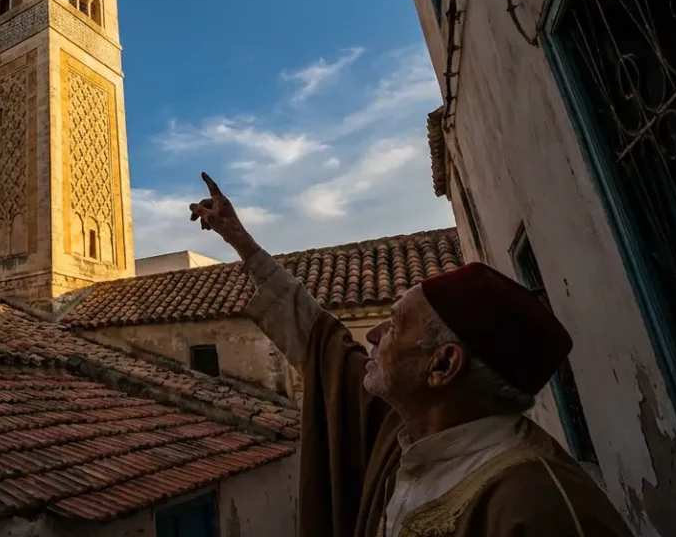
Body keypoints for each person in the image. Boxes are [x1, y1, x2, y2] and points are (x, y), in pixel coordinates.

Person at [188, 172, 631, 536]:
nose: (375, 335)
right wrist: (239, 239)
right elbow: (322, 340)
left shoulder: (539, 509)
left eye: (396, 324)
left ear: (442, 365)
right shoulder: (405, 430)